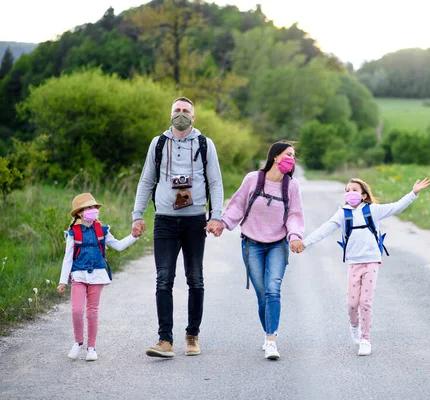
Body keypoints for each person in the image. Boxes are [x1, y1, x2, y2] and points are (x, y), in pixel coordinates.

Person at [296, 177, 430, 356]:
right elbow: (325, 229)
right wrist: (305, 243)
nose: (350, 193)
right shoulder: (342, 213)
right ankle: (354, 326)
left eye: (354, 190)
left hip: (372, 261)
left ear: (364, 194)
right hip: (354, 262)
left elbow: (396, 206)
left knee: (365, 302)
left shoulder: (373, 210)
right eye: (347, 190)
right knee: (352, 305)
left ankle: (365, 339)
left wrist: (413, 193)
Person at [131, 97, 224, 358]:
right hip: (164, 220)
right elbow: (146, 180)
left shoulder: (205, 144)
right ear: (170, 114)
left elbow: (215, 182)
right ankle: (165, 340)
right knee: (164, 279)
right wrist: (137, 215)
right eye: (177, 110)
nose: (181, 114)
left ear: (193, 117)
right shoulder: (158, 143)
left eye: (185, 111)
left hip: (196, 221)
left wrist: (216, 216)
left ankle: (192, 335)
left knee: (195, 278)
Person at [208, 142, 304, 360]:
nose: (292, 159)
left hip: (278, 244)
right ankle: (268, 333)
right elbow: (237, 205)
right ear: (276, 157)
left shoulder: (292, 186)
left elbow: (295, 216)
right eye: (288, 154)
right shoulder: (253, 179)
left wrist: (295, 236)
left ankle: (271, 340)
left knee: (273, 289)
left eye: (294, 156)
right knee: (262, 295)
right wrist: (222, 223)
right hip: (252, 244)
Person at [58, 192, 139, 361]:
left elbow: (118, 246)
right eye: (88, 207)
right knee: (77, 311)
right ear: (80, 213)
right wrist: (62, 281)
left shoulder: (102, 230)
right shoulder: (73, 233)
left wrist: (133, 237)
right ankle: (78, 343)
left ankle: (91, 348)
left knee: (92, 312)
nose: (92, 210)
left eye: (94, 207)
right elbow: (67, 259)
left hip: (98, 275)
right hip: (79, 275)